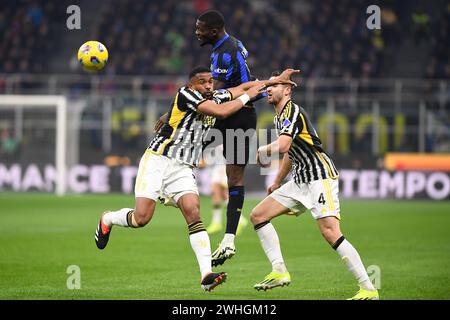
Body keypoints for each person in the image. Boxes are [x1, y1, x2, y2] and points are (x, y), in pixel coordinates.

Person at [95, 67, 296, 291]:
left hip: (182, 168)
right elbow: (222, 112)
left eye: (211, 81)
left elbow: (241, 87)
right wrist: (248, 96)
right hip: (158, 160)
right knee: (141, 218)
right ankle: (109, 219)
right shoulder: (186, 94)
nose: (209, 86)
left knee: (193, 212)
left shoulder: (215, 95)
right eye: (203, 82)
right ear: (192, 85)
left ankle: (206, 275)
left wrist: (275, 80)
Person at [251, 71, 379, 300]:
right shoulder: (279, 117)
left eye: (274, 85)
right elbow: (290, 153)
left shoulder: (294, 111)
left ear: (287, 90)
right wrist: (278, 181)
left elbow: (282, 145)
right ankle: (279, 271)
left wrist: (262, 149)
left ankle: (368, 288)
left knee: (330, 232)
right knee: (258, 215)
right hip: (300, 179)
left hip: (320, 177)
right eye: (267, 86)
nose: (268, 89)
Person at [194, 9, 262, 266]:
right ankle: (171, 188)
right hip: (231, 113)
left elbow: (218, 90)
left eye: (200, 28)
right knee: (191, 140)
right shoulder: (232, 44)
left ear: (213, 31)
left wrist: (191, 99)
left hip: (239, 115)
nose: (196, 32)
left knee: (234, 176)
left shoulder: (224, 51)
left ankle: (229, 240)